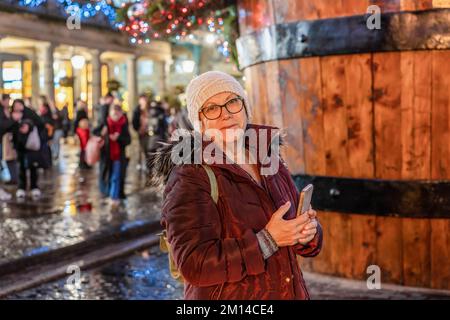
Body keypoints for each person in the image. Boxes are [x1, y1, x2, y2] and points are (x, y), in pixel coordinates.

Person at [148, 71, 323, 300]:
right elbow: (194, 265)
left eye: (232, 102)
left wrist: (307, 233)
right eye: (211, 108)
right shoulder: (190, 175)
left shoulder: (268, 158)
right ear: (198, 120)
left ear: (244, 107)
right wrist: (268, 240)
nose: (226, 115)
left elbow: (293, 231)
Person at [93, 104, 131, 209]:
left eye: (118, 112)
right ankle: (108, 194)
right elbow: (94, 132)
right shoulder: (105, 123)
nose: (116, 114)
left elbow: (128, 140)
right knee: (106, 176)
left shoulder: (124, 123)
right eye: (114, 112)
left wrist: (118, 138)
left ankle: (114, 197)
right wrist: (102, 133)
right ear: (110, 113)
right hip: (106, 155)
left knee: (116, 177)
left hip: (119, 156)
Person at [10, 99, 46, 199]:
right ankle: (22, 187)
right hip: (20, 146)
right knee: (21, 167)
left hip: (31, 145)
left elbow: (40, 123)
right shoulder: (12, 115)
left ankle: (34, 187)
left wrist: (28, 125)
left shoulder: (29, 113)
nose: (17, 107)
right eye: (15, 105)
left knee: (33, 166)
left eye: (19, 105)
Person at [0, 94, 14, 200]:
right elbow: (3, 125)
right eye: (7, 100)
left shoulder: (6, 110)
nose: (8, 102)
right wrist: (13, 120)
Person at [132, 94, 150, 170]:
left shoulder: (149, 109)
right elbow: (134, 121)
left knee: (147, 148)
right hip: (140, 131)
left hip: (149, 131)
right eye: (142, 100)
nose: (144, 102)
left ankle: (147, 163)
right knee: (140, 148)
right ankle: (139, 163)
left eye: (145, 100)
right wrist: (137, 129)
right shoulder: (137, 110)